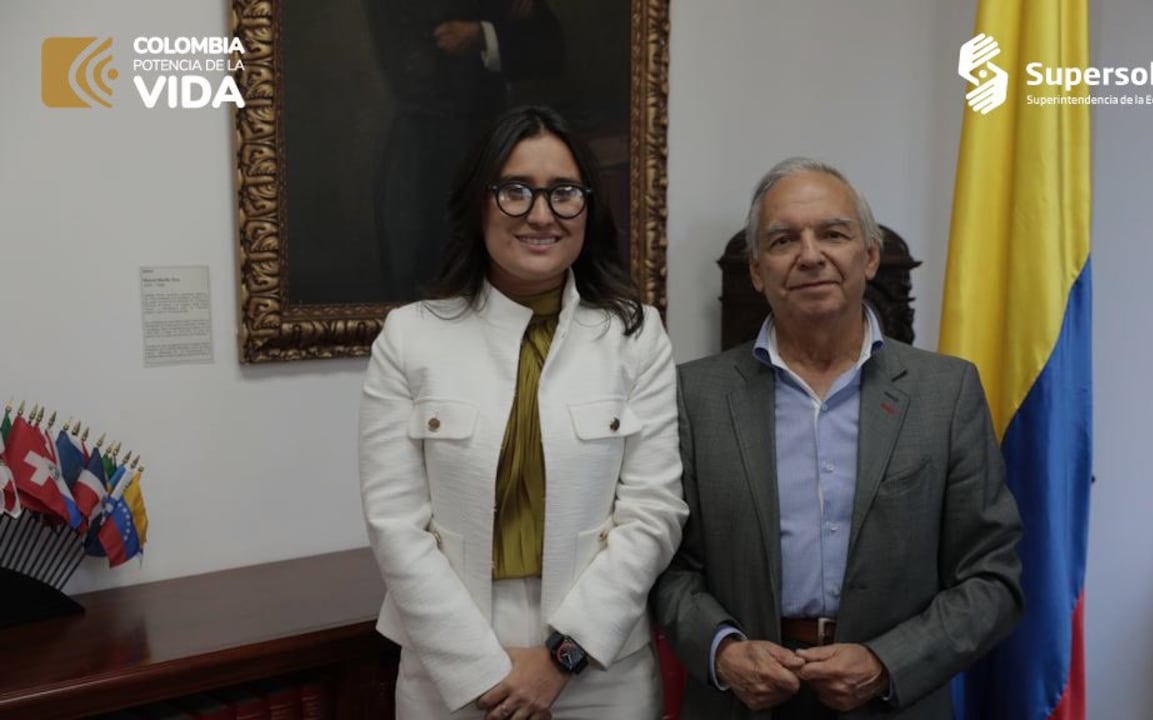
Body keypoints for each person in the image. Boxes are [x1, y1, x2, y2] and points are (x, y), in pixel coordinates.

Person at [651, 157, 1024, 720]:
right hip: (741, 702)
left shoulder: (945, 392)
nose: (810, 254)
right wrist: (722, 651)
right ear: (757, 270)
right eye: (783, 240)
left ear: (868, 256)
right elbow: (666, 565)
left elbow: (992, 577)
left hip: (895, 702)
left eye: (833, 233)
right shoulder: (693, 395)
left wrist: (887, 663)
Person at [359, 105, 686, 719]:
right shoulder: (411, 338)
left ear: (588, 205)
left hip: (597, 660)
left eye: (563, 192)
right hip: (449, 659)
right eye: (516, 191)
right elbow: (395, 524)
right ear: (479, 203)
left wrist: (562, 656)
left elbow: (655, 511)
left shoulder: (636, 337)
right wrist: (477, 666)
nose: (541, 214)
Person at [363, 0, 565, 300]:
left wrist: (483, 35)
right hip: (429, 155)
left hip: (494, 145)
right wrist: (494, 33)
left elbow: (548, 48)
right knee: (430, 277)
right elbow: (415, 69)